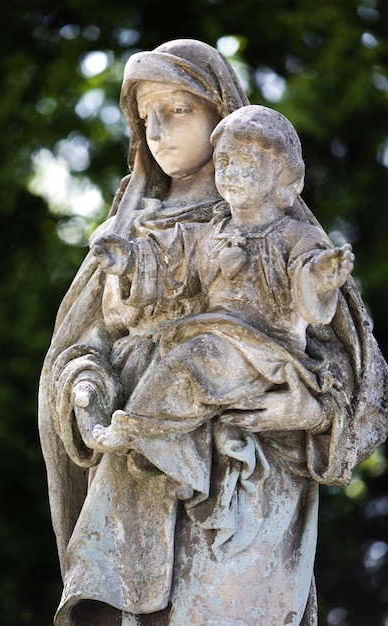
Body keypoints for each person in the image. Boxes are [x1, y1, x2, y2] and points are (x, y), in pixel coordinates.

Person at [38, 41, 388, 626]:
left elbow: (358, 382)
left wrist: (305, 408)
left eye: (178, 110)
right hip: (136, 474)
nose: (157, 130)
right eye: (146, 116)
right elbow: (80, 346)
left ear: (220, 114)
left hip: (251, 480)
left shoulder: (279, 229)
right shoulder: (126, 230)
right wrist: (84, 384)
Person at [91, 105, 355, 453]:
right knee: (184, 364)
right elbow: (171, 258)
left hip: (268, 353)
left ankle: (134, 429)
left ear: (280, 172)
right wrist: (128, 260)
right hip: (219, 337)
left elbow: (308, 281)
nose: (229, 172)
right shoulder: (211, 232)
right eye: (223, 161)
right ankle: (156, 436)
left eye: (243, 162)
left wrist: (321, 277)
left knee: (188, 364)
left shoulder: (297, 236)